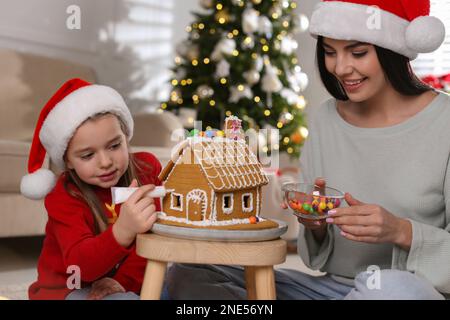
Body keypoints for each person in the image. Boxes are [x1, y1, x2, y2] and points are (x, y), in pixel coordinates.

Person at [166, 0, 449, 299]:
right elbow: (317, 250)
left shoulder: (443, 121)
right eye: (329, 52)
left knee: (393, 290)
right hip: (330, 289)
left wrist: (401, 231)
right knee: (188, 273)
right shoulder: (327, 118)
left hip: (403, 291)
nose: (340, 68)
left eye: (358, 52)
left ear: (392, 49)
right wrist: (314, 225)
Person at [21, 78, 164, 300]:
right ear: (67, 161)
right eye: (88, 155)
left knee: (185, 280)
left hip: (125, 281)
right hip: (69, 286)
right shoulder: (64, 195)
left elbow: (154, 241)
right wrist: (123, 230)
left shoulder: (146, 169)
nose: (105, 162)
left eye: (115, 145)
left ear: (126, 137)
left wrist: (122, 281)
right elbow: (82, 267)